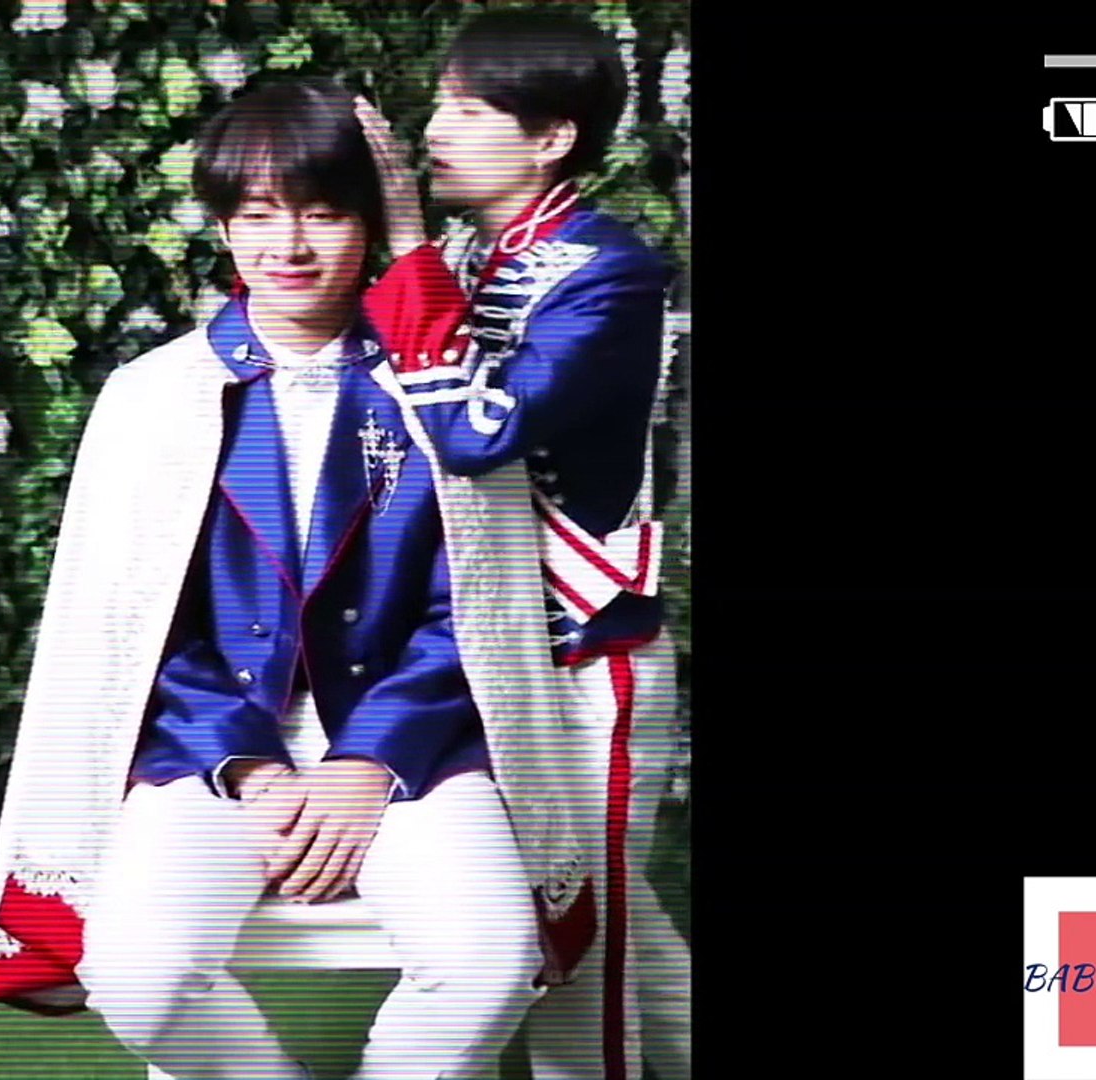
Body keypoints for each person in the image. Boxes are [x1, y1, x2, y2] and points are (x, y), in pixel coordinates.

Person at [0, 76, 600, 1080]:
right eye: (258, 215)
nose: (289, 246)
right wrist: (249, 767)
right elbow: (137, 628)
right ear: (223, 227)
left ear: (370, 223)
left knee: (486, 961)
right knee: (136, 972)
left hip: (409, 739)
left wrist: (368, 762)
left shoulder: (438, 387)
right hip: (210, 744)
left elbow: (476, 606)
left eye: (323, 212)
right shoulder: (153, 397)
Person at [353, 8, 692, 1080]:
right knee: (598, 913)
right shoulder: (471, 253)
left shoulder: (608, 268)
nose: (433, 129)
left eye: (467, 109)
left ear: (551, 138)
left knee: (580, 953)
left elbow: (471, 432)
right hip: (485, 648)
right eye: (438, 104)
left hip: (583, 653)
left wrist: (405, 245)